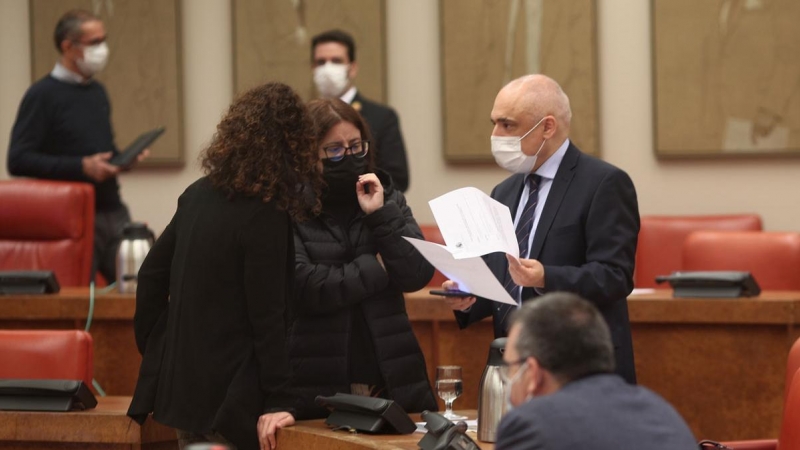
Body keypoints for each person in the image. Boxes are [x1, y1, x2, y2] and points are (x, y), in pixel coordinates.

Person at [127, 82, 323, 450]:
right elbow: (267, 315)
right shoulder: (265, 211)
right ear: (292, 144)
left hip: (184, 392)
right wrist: (280, 398)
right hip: (233, 399)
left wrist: (158, 348)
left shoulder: (197, 194)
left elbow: (151, 275)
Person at [442, 74, 640, 384]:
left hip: (579, 368)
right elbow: (506, 283)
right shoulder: (503, 192)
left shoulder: (603, 183)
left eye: (508, 125)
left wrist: (546, 277)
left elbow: (615, 277)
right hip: (513, 366)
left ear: (547, 127)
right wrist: (469, 297)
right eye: (494, 123)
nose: (496, 135)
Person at [288, 97, 436, 419]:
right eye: (335, 150)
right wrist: (378, 268)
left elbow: (416, 273)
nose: (349, 156)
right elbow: (305, 286)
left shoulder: (387, 194)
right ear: (308, 153)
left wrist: (381, 215)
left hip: (392, 374)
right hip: (317, 381)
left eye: (356, 146)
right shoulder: (289, 208)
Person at [6, 9, 147, 284]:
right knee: (81, 297)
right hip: (72, 218)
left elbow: (100, 149)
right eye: (94, 42)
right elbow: (18, 159)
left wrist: (122, 160)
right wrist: (81, 166)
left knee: (136, 293)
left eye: (103, 40)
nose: (102, 49)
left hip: (112, 209)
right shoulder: (42, 95)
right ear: (68, 47)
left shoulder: (97, 92)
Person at [496, 292, 697, 450]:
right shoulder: (660, 410)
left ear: (532, 372)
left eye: (511, 367)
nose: (509, 378)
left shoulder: (531, 425)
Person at [310, 29, 410, 192]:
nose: (327, 68)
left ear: (353, 68)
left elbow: (397, 179)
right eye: (321, 62)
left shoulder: (382, 117)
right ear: (313, 68)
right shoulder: (304, 119)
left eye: (336, 61)